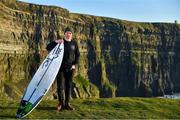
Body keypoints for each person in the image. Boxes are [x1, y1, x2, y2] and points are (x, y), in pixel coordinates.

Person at [46, 27, 80, 111]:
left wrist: (75, 64)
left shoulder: (74, 43)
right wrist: (56, 41)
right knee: (60, 86)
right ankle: (61, 103)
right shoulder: (60, 42)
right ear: (64, 34)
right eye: (67, 33)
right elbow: (48, 47)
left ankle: (67, 104)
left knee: (68, 86)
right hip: (60, 68)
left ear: (72, 35)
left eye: (70, 33)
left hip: (70, 68)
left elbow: (78, 54)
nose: (68, 34)